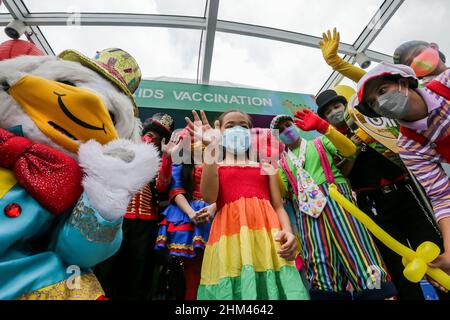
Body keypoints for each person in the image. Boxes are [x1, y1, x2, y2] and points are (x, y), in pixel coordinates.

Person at [315, 89, 444, 299]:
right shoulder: (328, 143)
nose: (334, 112)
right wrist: (352, 149)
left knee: (433, 249)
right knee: (395, 261)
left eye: (336, 106)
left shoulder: (371, 120)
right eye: (328, 111)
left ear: (345, 105)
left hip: (406, 192)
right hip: (373, 203)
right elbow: (342, 173)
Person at [271, 110, 397, 300]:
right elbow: (280, 193)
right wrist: (270, 165)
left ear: (295, 125)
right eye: (280, 130)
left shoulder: (319, 143)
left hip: (337, 202)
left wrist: (325, 128)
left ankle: (379, 295)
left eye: (288, 125)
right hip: (307, 214)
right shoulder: (282, 163)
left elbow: (350, 150)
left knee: (359, 251)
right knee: (319, 263)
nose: (286, 130)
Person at [188, 109, 309, 300]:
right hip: (230, 238)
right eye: (230, 126)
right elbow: (210, 197)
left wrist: (287, 230)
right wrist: (211, 147)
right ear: (220, 132)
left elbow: (278, 206)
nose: (237, 129)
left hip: (268, 238)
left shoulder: (267, 167)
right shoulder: (215, 167)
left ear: (251, 133)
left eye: (243, 126)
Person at [354, 62, 450, 292]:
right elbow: (442, 198)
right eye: (372, 103)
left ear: (404, 82)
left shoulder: (446, 83)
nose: (379, 102)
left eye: (382, 90)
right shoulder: (408, 146)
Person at [95, 113, 177, 300]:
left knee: (139, 269)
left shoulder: (160, 163)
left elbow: (163, 186)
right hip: (118, 220)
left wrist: (166, 158)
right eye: (148, 135)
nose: (150, 140)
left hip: (145, 226)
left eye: (156, 139)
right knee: (108, 266)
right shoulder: (122, 155)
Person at [155, 129, 215, 300]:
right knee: (191, 271)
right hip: (187, 219)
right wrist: (191, 213)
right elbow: (176, 190)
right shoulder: (181, 164)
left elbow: (224, 189)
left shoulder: (217, 160)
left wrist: (213, 208)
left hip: (215, 215)